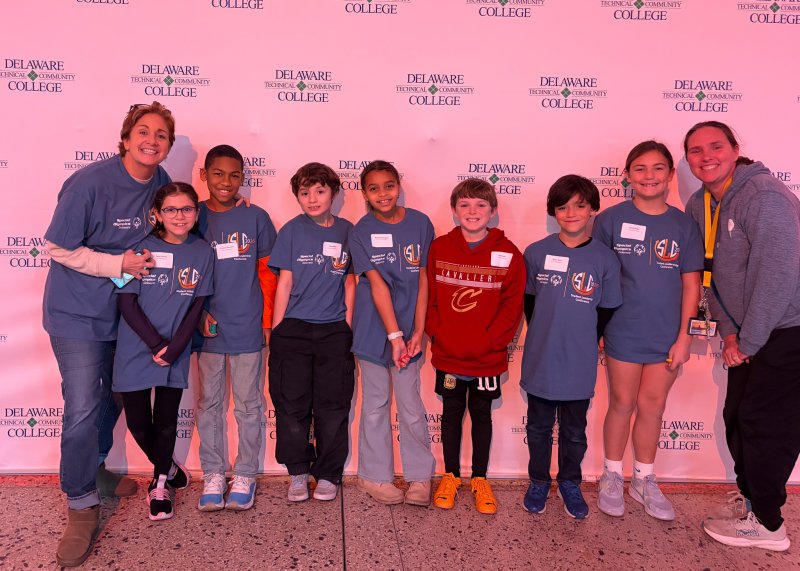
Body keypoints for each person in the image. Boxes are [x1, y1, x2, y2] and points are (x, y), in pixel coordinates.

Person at [42, 102, 174, 567]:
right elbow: (57, 247)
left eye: (161, 135)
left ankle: (95, 466)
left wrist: (229, 214)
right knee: (81, 405)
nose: (151, 140)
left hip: (125, 313)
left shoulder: (159, 182)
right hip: (77, 313)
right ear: (125, 138)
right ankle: (80, 504)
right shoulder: (89, 182)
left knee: (117, 397)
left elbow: (179, 219)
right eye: (143, 131)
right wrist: (115, 264)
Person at [683, 121, 800, 552]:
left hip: (788, 331)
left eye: (716, 146)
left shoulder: (764, 196)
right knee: (739, 418)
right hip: (747, 335)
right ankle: (752, 502)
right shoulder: (701, 203)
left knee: (767, 426)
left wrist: (747, 342)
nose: (706, 156)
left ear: (735, 150)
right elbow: (711, 279)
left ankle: (770, 527)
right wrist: (731, 335)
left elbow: (777, 277)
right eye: (695, 150)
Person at [593, 141, 703, 521]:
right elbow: (599, 278)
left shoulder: (684, 225)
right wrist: (599, 327)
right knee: (622, 403)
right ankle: (611, 475)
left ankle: (644, 479)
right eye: (640, 168)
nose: (649, 176)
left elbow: (692, 285)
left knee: (653, 407)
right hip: (623, 331)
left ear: (671, 175)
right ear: (627, 175)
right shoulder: (609, 221)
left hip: (667, 336)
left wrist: (685, 336)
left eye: (658, 168)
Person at [521, 175, 622, 519]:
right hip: (541, 358)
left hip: (579, 359)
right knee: (538, 427)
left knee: (574, 429)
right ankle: (538, 480)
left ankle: (569, 482)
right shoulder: (536, 252)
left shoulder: (605, 259)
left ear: (593, 208)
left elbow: (605, 310)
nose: (571, 213)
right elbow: (530, 303)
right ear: (553, 212)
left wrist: (583, 339)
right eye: (563, 207)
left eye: (580, 205)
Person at [114, 182, 214, 521]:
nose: (179, 216)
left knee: (167, 421)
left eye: (186, 208)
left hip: (177, 348)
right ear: (156, 214)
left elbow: (197, 305)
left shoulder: (203, 252)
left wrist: (174, 349)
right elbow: (125, 301)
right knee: (140, 424)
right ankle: (168, 466)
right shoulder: (138, 248)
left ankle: (159, 485)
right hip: (136, 347)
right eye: (170, 209)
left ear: (196, 213)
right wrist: (156, 344)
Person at [425, 178, 524, 514]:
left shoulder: (509, 254)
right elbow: (431, 300)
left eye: (481, 205)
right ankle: (450, 475)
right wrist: (437, 334)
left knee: (482, 416)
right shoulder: (439, 248)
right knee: (450, 416)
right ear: (454, 210)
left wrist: (492, 342)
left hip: (487, 360)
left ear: (493, 211)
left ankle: (480, 478)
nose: (472, 211)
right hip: (449, 356)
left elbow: (513, 306)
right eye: (465, 205)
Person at [194, 145, 278, 511]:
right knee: (209, 404)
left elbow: (268, 275)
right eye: (218, 174)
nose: (225, 182)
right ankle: (213, 472)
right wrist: (195, 315)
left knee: (248, 405)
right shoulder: (190, 216)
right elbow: (184, 273)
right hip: (206, 328)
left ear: (243, 178)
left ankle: (245, 474)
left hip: (247, 328)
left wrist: (268, 321)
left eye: (234, 175)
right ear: (204, 176)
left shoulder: (256, 217)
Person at [268, 163, 355, 502]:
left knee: (333, 405)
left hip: (334, 330)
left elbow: (351, 281)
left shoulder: (349, 230)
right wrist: (277, 330)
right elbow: (284, 281)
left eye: (319, 191)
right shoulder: (291, 231)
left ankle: (329, 473)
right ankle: (298, 472)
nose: (312, 198)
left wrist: (348, 324)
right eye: (305, 193)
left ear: (333, 192)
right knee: (291, 405)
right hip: (294, 330)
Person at [350, 160, 435, 506]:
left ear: (399, 185)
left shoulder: (420, 223)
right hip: (374, 331)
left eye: (388, 185)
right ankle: (373, 477)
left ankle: (419, 478)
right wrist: (394, 335)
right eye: (373, 188)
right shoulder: (360, 231)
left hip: (409, 335)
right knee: (375, 405)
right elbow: (377, 286)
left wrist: (419, 331)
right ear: (365, 193)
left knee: (411, 405)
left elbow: (424, 279)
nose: (382, 194)